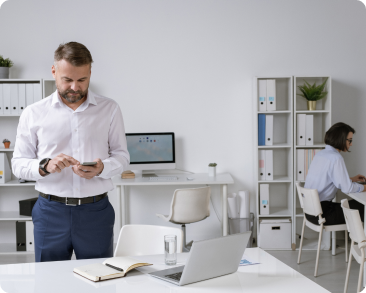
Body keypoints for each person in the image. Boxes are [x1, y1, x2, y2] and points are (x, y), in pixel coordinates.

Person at [12, 42, 130, 262]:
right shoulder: (33, 113)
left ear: (90, 73)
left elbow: (122, 156)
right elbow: (18, 163)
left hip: (96, 212)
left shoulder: (110, 109)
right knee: (49, 282)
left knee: (99, 280)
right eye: (67, 80)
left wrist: (102, 168)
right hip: (50, 213)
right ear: (54, 71)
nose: (75, 87)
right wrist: (44, 166)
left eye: (82, 80)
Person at [304, 122, 365, 226]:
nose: (351, 144)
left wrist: (351, 179)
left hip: (310, 212)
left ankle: (358, 240)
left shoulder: (321, 154)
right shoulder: (336, 158)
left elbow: (328, 179)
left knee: (356, 205)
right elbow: (347, 188)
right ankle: (361, 241)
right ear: (340, 139)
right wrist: (364, 188)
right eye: (350, 140)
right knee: (362, 207)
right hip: (324, 214)